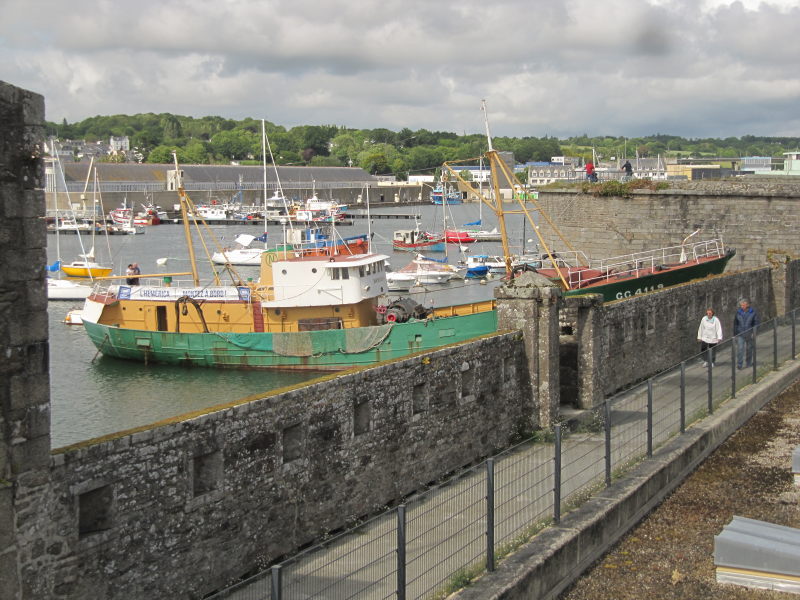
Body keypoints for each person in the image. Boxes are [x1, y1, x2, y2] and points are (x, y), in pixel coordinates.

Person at [733, 298, 759, 369]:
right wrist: (735, 334)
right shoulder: (738, 313)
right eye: (741, 305)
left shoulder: (753, 312)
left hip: (749, 333)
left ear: (747, 305)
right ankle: (739, 364)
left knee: (749, 349)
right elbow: (735, 324)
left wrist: (754, 332)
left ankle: (748, 362)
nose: (742, 306)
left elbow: (756, 323)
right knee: (740, 349)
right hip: (740, 333)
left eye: (743, 305)